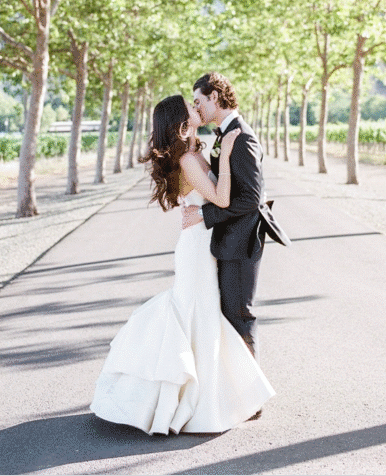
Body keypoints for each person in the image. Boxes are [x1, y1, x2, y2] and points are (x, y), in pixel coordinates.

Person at [90, 94, 274, 435]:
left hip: (202, 241)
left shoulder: (193, 153)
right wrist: (228, 155)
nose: (196, 106)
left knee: (202, 316)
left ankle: (212, 395)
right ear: (182, 119)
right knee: (197, 316)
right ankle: (195, 400)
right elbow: (220, 198)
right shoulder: (189, 160)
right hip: (196, 247)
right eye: (190, 105)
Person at [183, 73, 289, 369]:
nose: (197, 107)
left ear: (214, 97)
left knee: (239, 313)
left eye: (199, 101)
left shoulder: (241, 137)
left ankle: (251, 396)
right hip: (228, 239)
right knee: (228, 312)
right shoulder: (225, 135)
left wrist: (205, 214)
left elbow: (250, 199)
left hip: (242, 240)